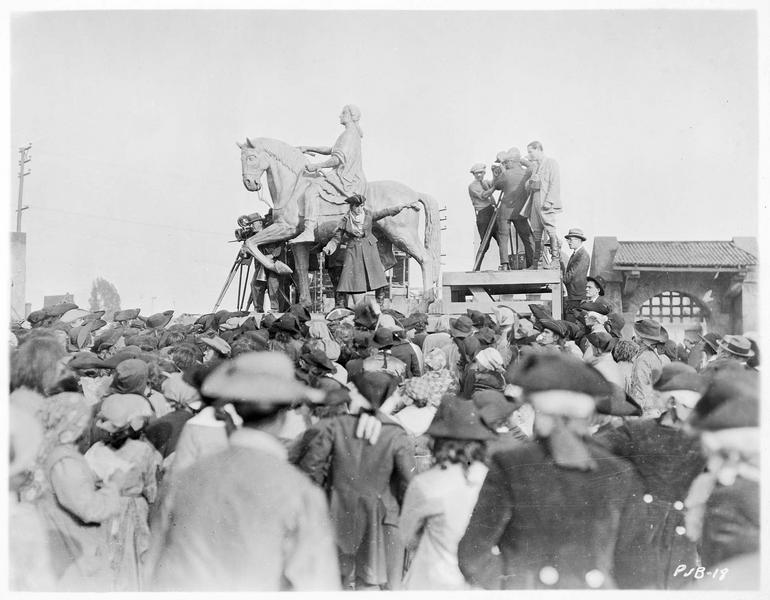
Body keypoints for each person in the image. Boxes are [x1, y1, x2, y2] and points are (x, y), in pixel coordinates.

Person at [150, 352, 339, 591]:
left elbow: (156, 568)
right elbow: (318, 583)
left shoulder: (183, 481)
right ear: (282, 415)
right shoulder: (300, 492)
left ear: (237, 409)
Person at [457, 354, 644, 589]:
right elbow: (635, 563)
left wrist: (510, 585)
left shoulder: (510, 464)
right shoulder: (620, 470)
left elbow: (472, 553)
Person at [298, 371, 416, 590]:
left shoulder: (337, 425)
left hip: (337, 510)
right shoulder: (395, 432)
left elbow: (311, 468)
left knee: (338, 578)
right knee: (370, 581)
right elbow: (409, 482)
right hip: (380, 515)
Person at [596, 363, 707, 589]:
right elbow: (597, 457)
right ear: (674, 403)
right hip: (644, 531)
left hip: (676, 535)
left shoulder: (705, 442)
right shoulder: (637, 432)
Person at [399, 397, 495, 590]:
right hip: (476, 580)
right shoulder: (489, 477)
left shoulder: (427, 483)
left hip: (432, 579)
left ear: (438, 442)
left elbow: (407, 536)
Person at [323, 193, 419, 306]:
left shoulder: (368, 215)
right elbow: (336, 238)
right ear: (351, 207)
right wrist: (329, 247)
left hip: (369, 249)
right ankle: (342, 307)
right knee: (347, 281)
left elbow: (384, 212)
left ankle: (380, 305)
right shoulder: (345, 220)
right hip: (353, 251)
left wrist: (402, 206)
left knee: (379, 279)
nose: (360, 209)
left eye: (362, 206)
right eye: (357, 206)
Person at [293, 104, 368, 243]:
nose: (340, 115)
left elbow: (337, 159)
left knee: (311, 189)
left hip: (347, 178)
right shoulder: (350, 133)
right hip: (345, 175)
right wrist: (308, 147)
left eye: (343, 113)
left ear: (352, 117)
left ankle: (309, 231)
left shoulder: (349, 134)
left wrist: (317, 165)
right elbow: (331, 150)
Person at [480, 149, 534, 269]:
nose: (505, 164)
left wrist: (501, 170)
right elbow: (532, 166)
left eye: (506, 162)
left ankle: (504, 264)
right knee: (527, 236)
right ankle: (532, 263)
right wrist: (521, 160)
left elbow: (498, 186)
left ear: (511, 161)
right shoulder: (526, 173)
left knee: (503, 237)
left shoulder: (506, 174)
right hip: (520, 211)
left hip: (505, 211)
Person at [524, 141, 561, 269]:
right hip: (535, 199)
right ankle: (537, 263)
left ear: (538, 149)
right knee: (537, 231)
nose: (529, 154)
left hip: (545, 201)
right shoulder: (534, 167)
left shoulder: (551, 163)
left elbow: (555, 183)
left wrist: (549, 201)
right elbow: (527, 186)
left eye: (530, 151)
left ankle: (555, 260)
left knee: (550, 229)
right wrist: (530, 182)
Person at [629, 319, 666, 416]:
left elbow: (641, 390)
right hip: (654, 408)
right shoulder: (653, 356)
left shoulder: (643, 359)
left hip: (645, 411)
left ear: (641, 339)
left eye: (637, 335)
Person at [468, 163, 496, 264]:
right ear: (474, 174)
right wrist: (494, 188)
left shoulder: (485, 183)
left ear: (484, 173)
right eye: (477, 173)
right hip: (483, 214)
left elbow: (495, 182)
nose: (479, 175)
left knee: (501, 239)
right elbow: (484, 195)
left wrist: (496, 174)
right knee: (485, 243)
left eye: (481, 173)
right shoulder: (472, 186)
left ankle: (506, 265)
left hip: (492, 212)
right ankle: (477, 266)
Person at [562, 228, 590, 317]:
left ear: (578, 240)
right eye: (568, 240)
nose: (569, 242)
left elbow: (573, 274)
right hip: (574, 294)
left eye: (571, 240)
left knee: (574, 320)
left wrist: (560, 279)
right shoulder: (576, 254)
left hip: (577, 295)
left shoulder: (582, 255)